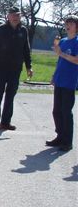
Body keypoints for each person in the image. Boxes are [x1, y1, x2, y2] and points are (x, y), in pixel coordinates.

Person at [0, 6, 33, 131]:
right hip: (0, 68)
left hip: (15, 68)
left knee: (10, 96)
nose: (15, 17)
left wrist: (29, 66)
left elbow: (26, 50)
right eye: (13, 15)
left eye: (17, 15)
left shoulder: (23, 30)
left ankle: (5, 122)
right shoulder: (0, 30)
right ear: (8, 16)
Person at [46, 14, 78, 152]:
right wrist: (54, 75)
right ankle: (60, 136)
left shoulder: (76, 41)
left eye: (71, 23)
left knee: (66, 111)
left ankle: (67, 141)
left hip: (69, 81)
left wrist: (61, 54)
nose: (68, 25)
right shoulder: (63, 41)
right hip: (59, 79)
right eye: (66, 23)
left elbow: (76, 60)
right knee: (56, 111)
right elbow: (60, 61)